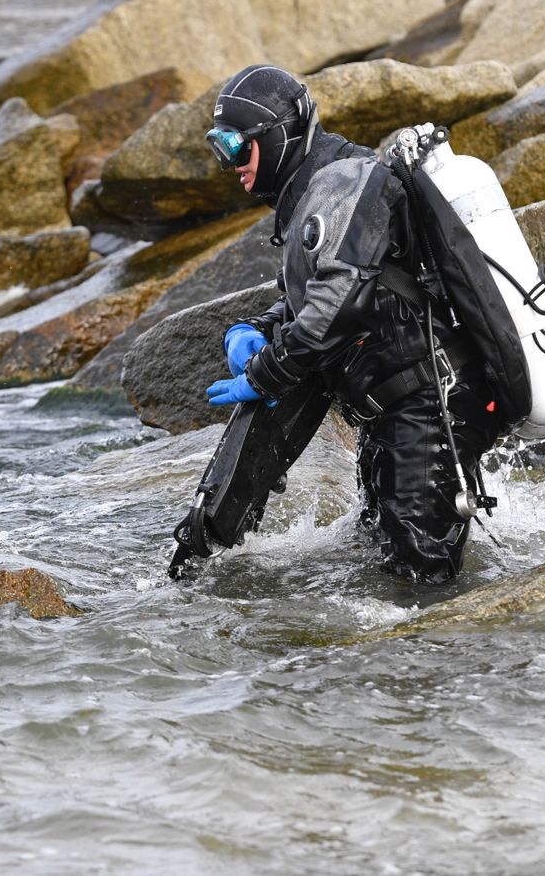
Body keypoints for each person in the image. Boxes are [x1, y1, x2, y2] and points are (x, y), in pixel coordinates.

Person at [203, 64, 506, 584]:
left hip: (428, 407)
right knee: (383, 565)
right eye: (219, 148)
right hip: (394, 412)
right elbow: (315, 297)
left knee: (421, 584)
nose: (231, 164)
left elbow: (340, 304)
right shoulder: (316, 194)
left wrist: (265, 376)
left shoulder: (344, 183)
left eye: (237, 146)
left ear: (278, 135)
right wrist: (256, 326)